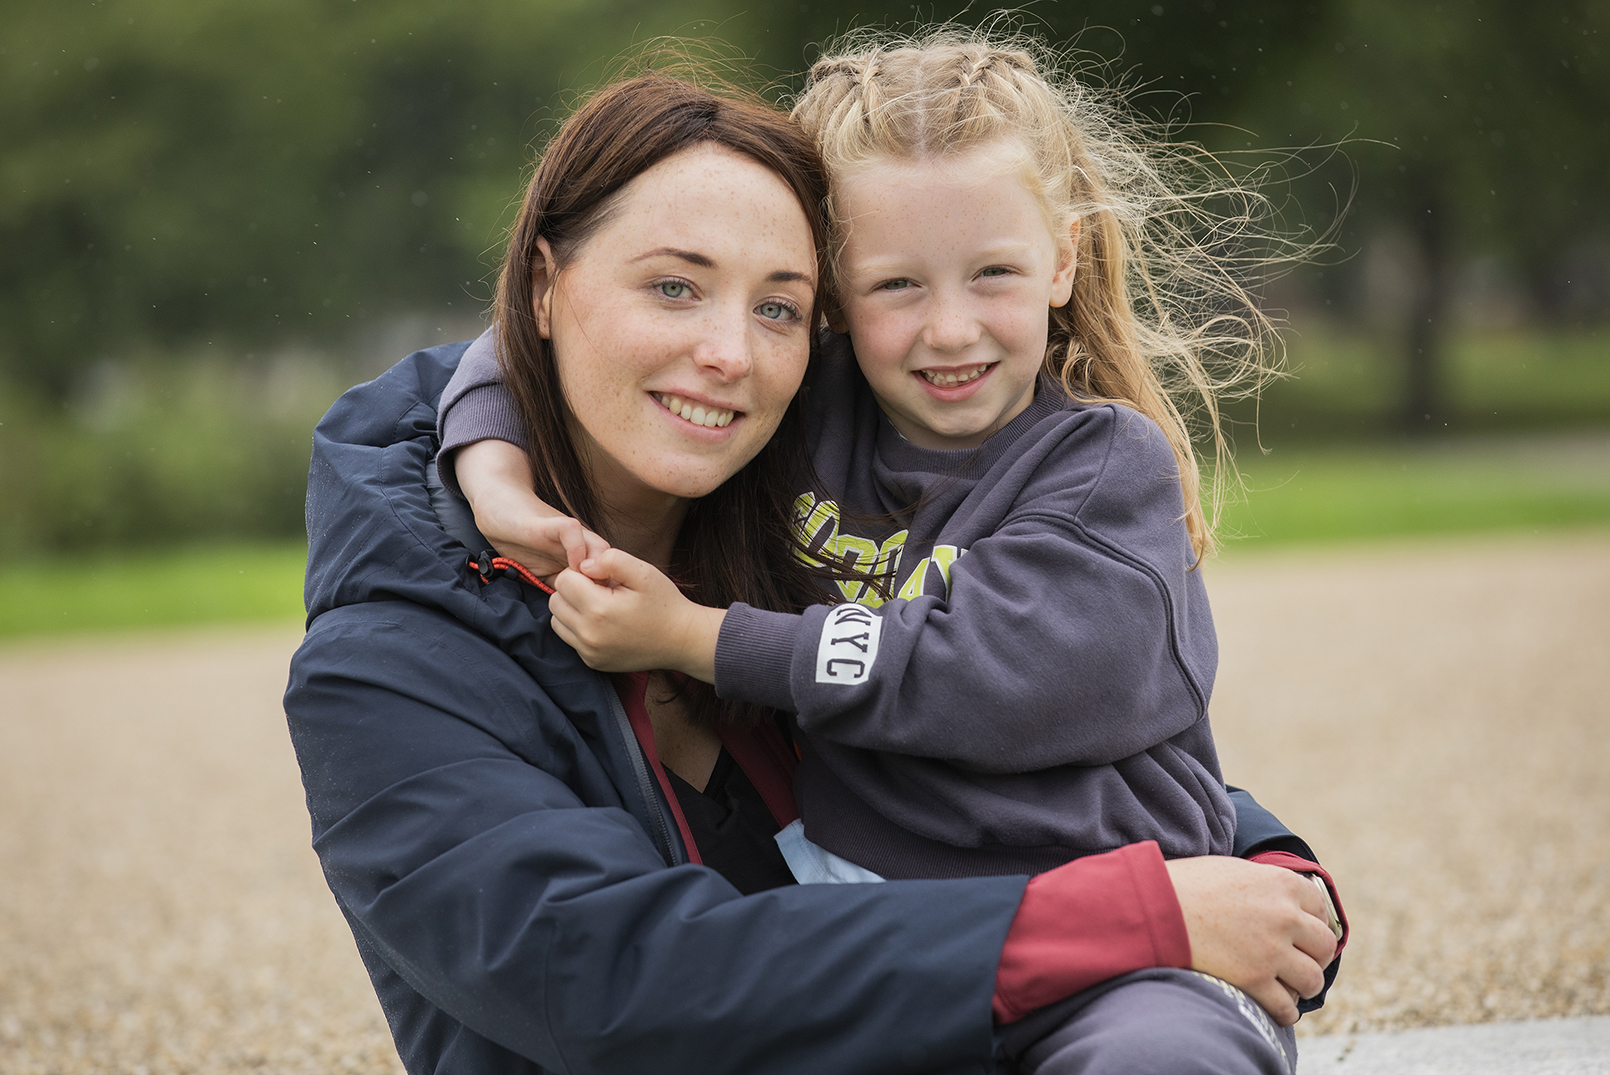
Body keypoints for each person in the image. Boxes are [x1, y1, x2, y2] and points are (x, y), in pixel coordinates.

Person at [286, 68, 1340, 1075]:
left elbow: (1014, 716)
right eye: (673, 286)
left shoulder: (768, 511)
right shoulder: (384, 672)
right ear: (543, 286)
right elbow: (622, 983)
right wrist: (1128, 914)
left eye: (777, 306)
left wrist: (1260, 862)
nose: (729, 353)